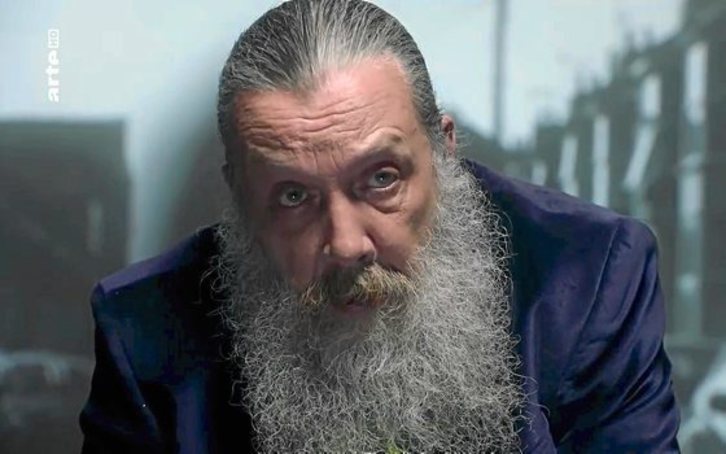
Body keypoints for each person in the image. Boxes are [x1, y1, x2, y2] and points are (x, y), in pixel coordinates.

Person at [79, 0, 680, 452]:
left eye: (381, 179)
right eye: (293, 196)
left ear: (444, 153)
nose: (346, 244)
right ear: (240, 199)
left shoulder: (593, 274)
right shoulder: (142, 331)